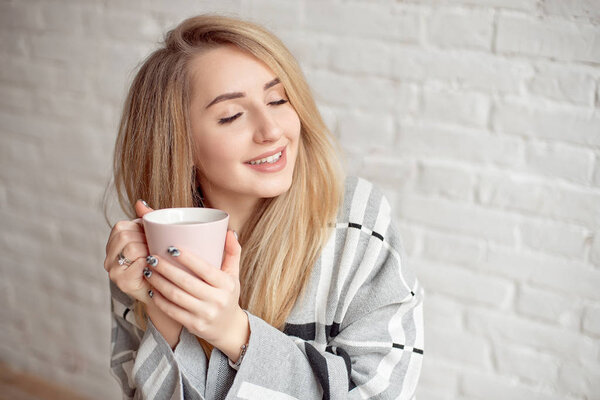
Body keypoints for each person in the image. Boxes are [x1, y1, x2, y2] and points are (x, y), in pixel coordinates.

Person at [104, 14, 424, 400]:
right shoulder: (148, 250)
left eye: (277, 99)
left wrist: (235, 334)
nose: (272, 130)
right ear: (180, 144)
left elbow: (380, 392)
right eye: (231, 115)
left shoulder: (356, 221)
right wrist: (166, 321)